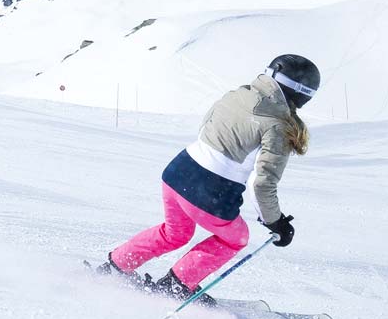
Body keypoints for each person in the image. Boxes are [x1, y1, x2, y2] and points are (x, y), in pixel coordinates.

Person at [98, 55, 320, 303]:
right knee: (236, 237)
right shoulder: (278, 126)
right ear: (302, 95)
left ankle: (115, 267)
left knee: (175, 233)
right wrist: (275, 222)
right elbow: (262, 182)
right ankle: (176, 284)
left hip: (178, 171)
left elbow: (206, 128)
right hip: (210, 191)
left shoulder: (237, 94)